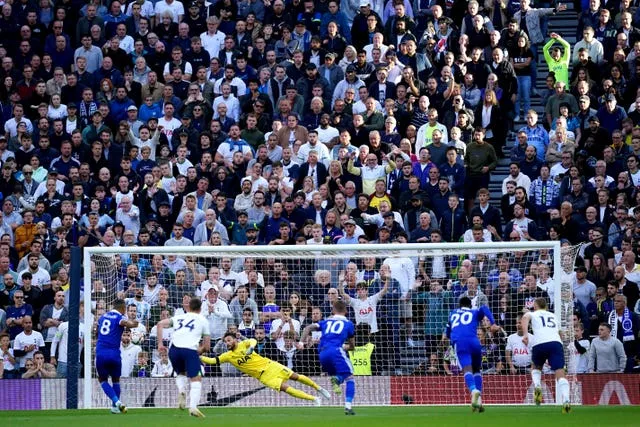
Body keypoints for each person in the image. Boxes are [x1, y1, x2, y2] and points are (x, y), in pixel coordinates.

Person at [200, 332, 330, 405]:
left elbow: (252, 340)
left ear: (235, 340)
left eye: (229, 340)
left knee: (295, 377)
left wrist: (251, 348)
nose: (227, 343)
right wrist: (199, 356)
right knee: (286, 389)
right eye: (225, 342)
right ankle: (313, 399)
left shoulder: (243, 345)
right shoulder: (227, 356)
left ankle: (319, 388)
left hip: (270, 365)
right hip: (263, 376)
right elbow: (213, 361)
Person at [299, 300, 356, 415]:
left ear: (333, 311)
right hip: (335, 351)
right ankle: (348, 407)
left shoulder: (326, 322)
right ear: (345, 311)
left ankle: (337, 380)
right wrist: (347, 347)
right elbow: (352, 345)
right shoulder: (349, 324)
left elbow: (307, 328)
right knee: (350, 378)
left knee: (339, 374)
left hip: (322, 354)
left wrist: (301, 342)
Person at [157, 297, 211, 418]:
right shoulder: (203, 320)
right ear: (200, 308)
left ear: (188, 307)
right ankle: (193, 407)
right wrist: (200, 351)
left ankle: (181, 390)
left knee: (181, 373)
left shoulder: (179, 317)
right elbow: (207, 346)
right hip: (189, 350)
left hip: (174, 350)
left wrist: (160, 344)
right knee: (196, 379)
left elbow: (160, 324)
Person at [445, 296, 500, 412]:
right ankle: (479, 401)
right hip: (475, 342)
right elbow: (484, 307)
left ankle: (473, 390)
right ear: (470, 305)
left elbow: (447, 334)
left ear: (459, 305)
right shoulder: (474, 312)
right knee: (476, 370)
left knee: (466, 369)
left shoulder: (453, 313)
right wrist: (493, 323)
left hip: (460, 343)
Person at [521, 297, 571, 413]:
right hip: (556, 343)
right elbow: (560, 333)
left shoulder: (533, 314)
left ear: (535, 306)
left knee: (535, 366)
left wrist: (525, 335)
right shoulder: (553, 316)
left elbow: (524, 317)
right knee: (560, 373)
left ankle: (537, 385)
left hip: (539, 343)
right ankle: (567, 400)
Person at [95, 299, 139, 414]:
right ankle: (116, 405)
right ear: (123, 308)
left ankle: (117, 403)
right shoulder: (120, 318)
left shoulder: (102, 317)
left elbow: (96, 331)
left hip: (101, 352)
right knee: (116, 380)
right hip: (114, 354)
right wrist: (134, 323)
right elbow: (128, 324)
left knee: (102, 379)